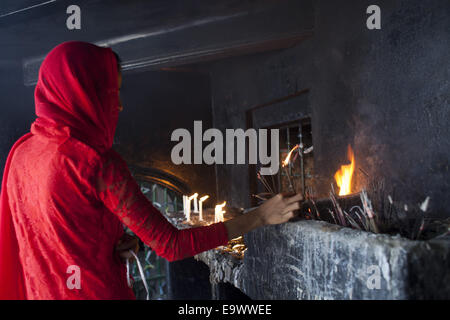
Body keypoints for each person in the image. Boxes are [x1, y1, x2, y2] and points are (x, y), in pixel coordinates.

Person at [0, 41, 303, 300]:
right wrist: (261, 216)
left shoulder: (21, 152)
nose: (118, 106)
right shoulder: (94, 161)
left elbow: (56, 233)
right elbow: (171, 246)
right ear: (84, 92)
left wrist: (118, 241)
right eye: (111, 92)